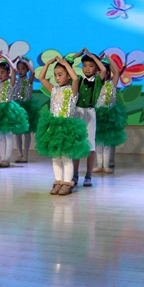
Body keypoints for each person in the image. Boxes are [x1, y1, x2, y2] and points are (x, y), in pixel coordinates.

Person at [35, 56, 91, 196]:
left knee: (66, 157)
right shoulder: (54, 90)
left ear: (68, 75)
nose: (57, 78)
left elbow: (76, 79)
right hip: (54, 127)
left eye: (60, 75)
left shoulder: (72, 91)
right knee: (55, 157)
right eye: (55, 75)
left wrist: (66, 63)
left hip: (67, 128)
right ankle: (58, 181)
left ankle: (67, 182)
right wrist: (47, 64)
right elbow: (41, 78)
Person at [0, 51, 28, 167]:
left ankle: (7, 160)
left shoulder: (11, 82)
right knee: (1, 136)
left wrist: (5, 57)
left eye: (2, 72)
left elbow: (13, 69)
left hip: (8, 109)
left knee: (8, 135)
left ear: (8, 73)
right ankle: (2, 159)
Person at [71, 48, 106, 187]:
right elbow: (65, 65)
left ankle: (88, 175)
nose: (87, 68)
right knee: (76, 145)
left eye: (91, 66)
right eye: (84, 65)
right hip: (77, 112)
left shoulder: (97, 81)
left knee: (90, 146)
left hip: (90, 113)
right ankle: (74, 175)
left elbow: (104, 70)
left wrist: (93, 56)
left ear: (96, 67)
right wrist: (76, 55)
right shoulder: (77, 80)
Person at [94, 56, 126, 174]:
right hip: (97, 115)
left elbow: (116, 72)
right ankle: (99, 165)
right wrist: (96, 59)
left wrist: (108, 58)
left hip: (108, 116)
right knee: (98, 142)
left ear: (107, 72)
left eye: (100, 71)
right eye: (97, 71)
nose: (98, 73)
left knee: (107, 143)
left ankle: (106, 165)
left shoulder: (112, 84)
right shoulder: (95, 84)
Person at [13, 56, 40, 163]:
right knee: (18, 133)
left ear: (27, 69)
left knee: (27, 133)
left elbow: (33, 72)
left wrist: (25, 61)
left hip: (27, 108)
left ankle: (26, 155)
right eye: (18, 68)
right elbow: (11, 70)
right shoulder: (14, 80)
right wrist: (13, 61)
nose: (20, 71)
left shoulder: (29, 80)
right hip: (18, 108)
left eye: (23, 68)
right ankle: (19, 154)